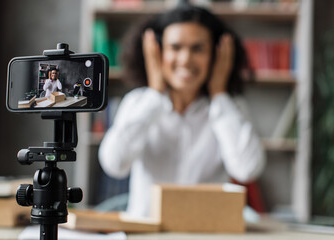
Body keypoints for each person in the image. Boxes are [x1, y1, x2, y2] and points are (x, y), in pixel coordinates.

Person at [99, 4, 266, 218]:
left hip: (205, 233)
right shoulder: (138, 102)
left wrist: (219, 95)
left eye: (198, 49)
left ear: (215, 55)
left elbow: (247, 169)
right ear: (158, 52)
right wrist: (156, 94)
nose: (185, 59)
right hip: (146, 233)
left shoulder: (231, 108)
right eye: (176, 47)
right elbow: (114, 164)